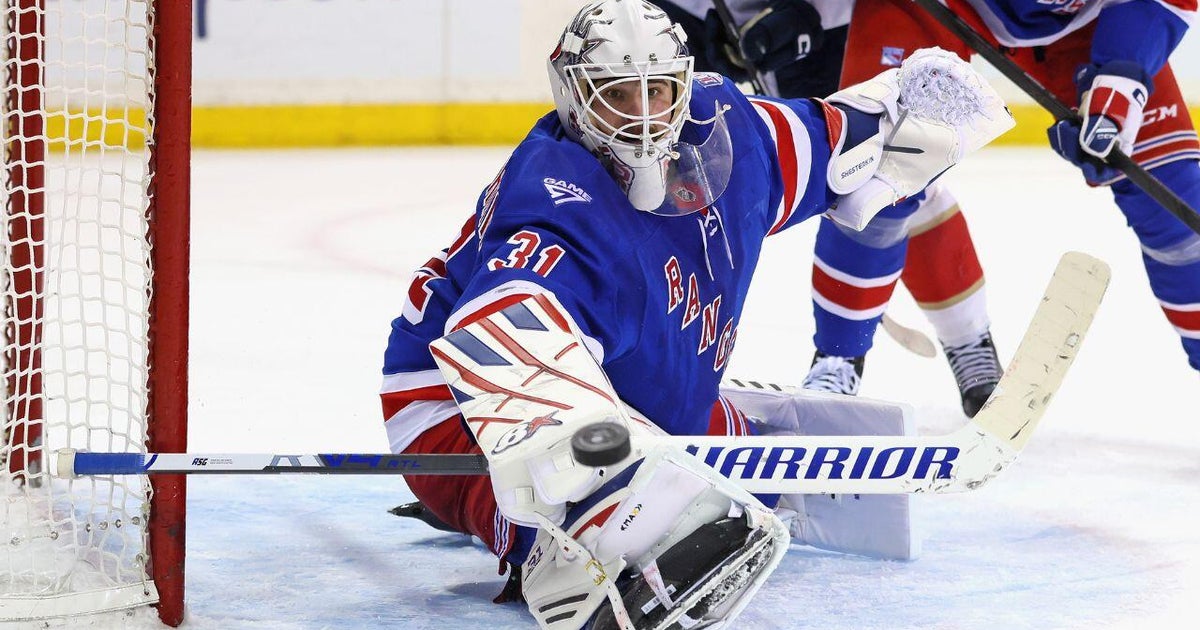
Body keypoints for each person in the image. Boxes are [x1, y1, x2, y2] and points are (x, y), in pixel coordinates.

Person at [379, 1, 1011, 627]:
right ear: (573, 97)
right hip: (457, 406)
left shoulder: (727, 130)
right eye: (618, 95)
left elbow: (836, 139)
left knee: (745, 484)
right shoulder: (554, 197)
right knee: (627, 522)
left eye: (660, 91)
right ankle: (527, 529)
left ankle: (644, 453)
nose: (646, 117)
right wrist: (566, 437)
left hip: (629, 371)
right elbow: (498, 329)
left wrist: (906, 109)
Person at [680, 0, 1200, 402]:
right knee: (878, 171)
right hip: (930, 8)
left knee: (1175, 203)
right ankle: (836, 361)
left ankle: (963, 341)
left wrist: (1120, 80)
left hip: (1085, 21)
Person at [661, 0, 1007, 417]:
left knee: (883, 176)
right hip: (751, 21)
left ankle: (842, 355)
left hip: (861, 15)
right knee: (886, 185)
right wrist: (708, 25)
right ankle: (966, 337)